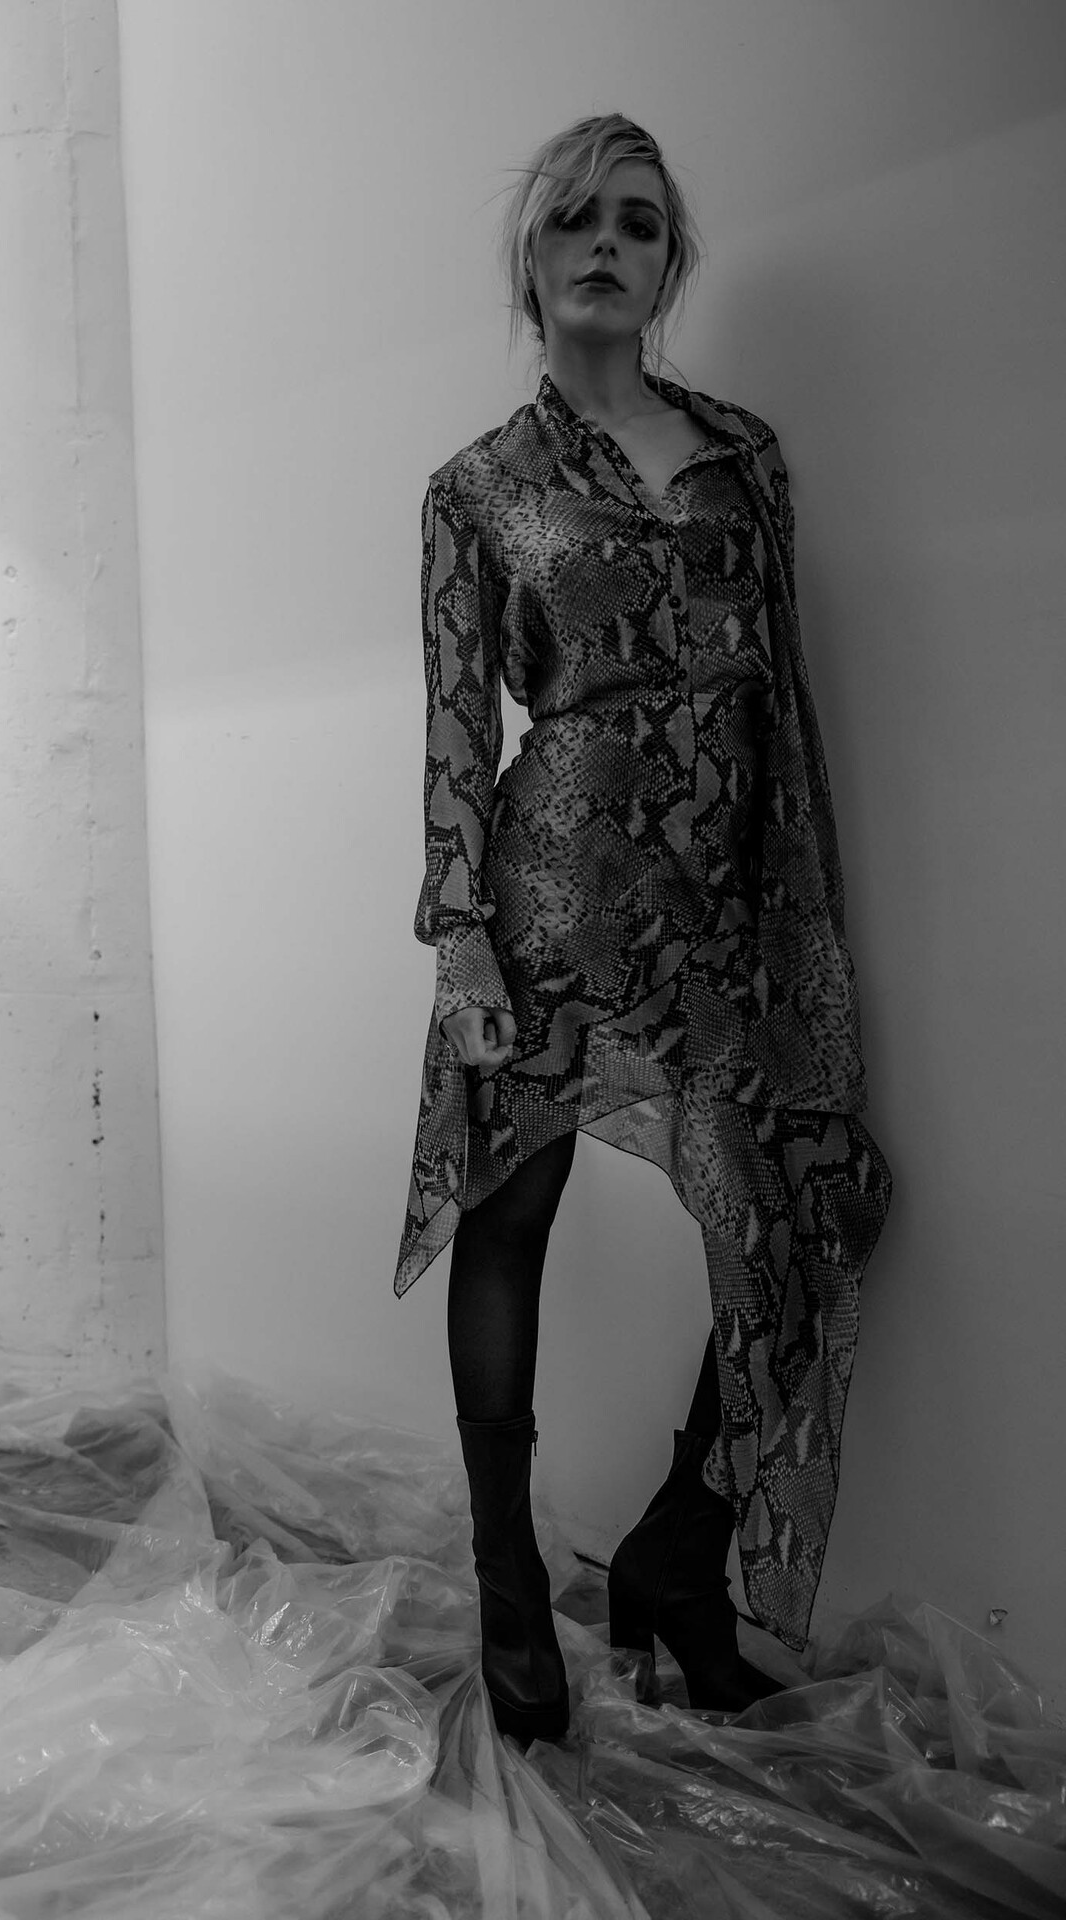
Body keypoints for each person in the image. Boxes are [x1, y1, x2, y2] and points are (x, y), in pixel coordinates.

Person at [394, 113, 894, 1749]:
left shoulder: (746, 456)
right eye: (574, 221)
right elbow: (457, 730)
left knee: (815, 1207)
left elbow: (783, 702)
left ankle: (680, 1552)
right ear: (531, 260)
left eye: (638, 222)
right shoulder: (479, 489)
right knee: (510, 1214)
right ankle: (508, 1588)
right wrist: (464, 936)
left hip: (728, 903)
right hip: (552, 892)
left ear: (672, 262)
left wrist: (798, 923)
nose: (604, 245)